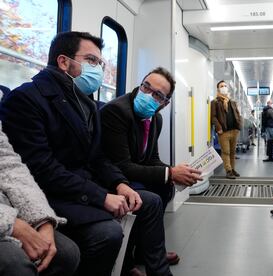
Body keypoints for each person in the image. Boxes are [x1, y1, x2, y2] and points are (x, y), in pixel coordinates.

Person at [0, 31, 172, 276]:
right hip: (51, 191)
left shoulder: (86, 103)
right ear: (63, 62)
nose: (99, 69)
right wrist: (101, 196)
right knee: (108, 233)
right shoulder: (27, 99)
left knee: (144, 201)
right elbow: (42, 168)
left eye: (100, 63)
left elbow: (97, 157)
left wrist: (119, 184)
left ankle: (130, 267)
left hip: (80, 185)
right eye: (92, 61)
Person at [100, 67, 203, 265]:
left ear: (164, 104)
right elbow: (121, 165)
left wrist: (175, 173)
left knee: (166, 187)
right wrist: (170, 172)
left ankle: (144, 250)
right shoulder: (117, 111)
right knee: (151, 199)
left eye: (157, 94)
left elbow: (152, 158)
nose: (147, 94)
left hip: (130, 173)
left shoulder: (156, 118)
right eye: (146, 87)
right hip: (111, 177)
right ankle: (140, 262)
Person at [0, 91, 80, 276]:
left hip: (9, 205)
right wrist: (12, 224)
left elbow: (9, 166)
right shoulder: (28, 98)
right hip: (6, 215)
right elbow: (44, 164)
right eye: (91, 60)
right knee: (15, 265)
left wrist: (42, 220)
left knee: (67, 253)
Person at [211, 80, 242, 179]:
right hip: (223, 132)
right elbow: (213, 117)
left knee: (233, 152)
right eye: (221, 86)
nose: (224, 87)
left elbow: (237, 114)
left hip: (234, 130)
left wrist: (239, 126)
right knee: (226, 152)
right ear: (218, 89)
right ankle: (228, 171)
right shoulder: (215, 102)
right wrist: (219, 127)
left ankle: (233, 169)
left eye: (225, 86)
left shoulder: (232, 102)